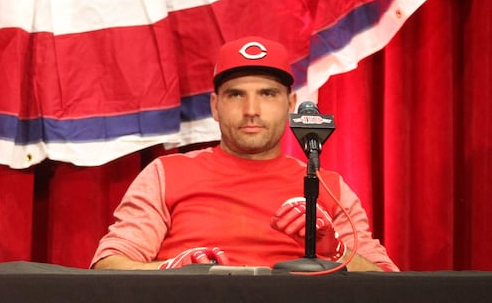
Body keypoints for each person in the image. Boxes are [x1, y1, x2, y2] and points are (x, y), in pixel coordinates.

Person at [91, 37, 398, 272]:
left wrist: (337, 250)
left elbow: (391, 284)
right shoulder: (166, 174)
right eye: (236, 94)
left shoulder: (327, 185)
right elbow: (108, 265)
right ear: (214, 106)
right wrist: (170, 270)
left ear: (291, 104)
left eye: (267, 94)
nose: (251, 110)